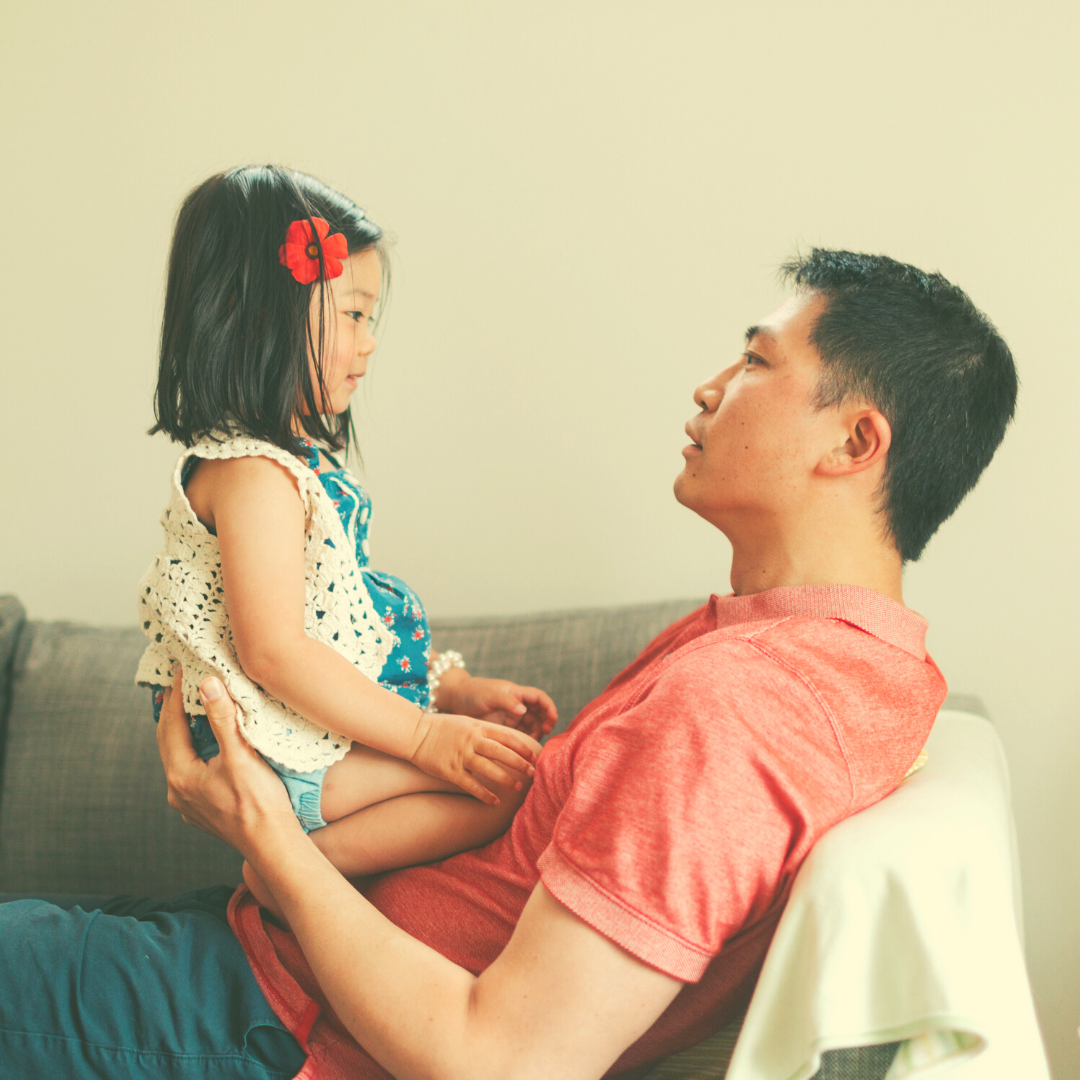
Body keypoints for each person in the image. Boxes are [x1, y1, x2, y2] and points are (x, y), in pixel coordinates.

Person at [0, 249, 1018, 1080]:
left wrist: (264, 830)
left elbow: (502, 1062)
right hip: (271, 963)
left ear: (854, 442)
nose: (709, 387)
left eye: (755, 363)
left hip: (271, 1028)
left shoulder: (743, 707)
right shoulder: (847, 657)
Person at [135, 165, 557, 895]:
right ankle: (294, 876)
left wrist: (450, 690)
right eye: (354, 314)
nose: (370, 342)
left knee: (506, 772)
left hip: (309, 742)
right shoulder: (253, 476)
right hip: (279, 754)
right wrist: (427, 737)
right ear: (257, 316)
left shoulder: (296, 469)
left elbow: (346, 626)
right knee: (506, 790)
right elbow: (275, 652)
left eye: (372, 318)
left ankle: (304, 873)